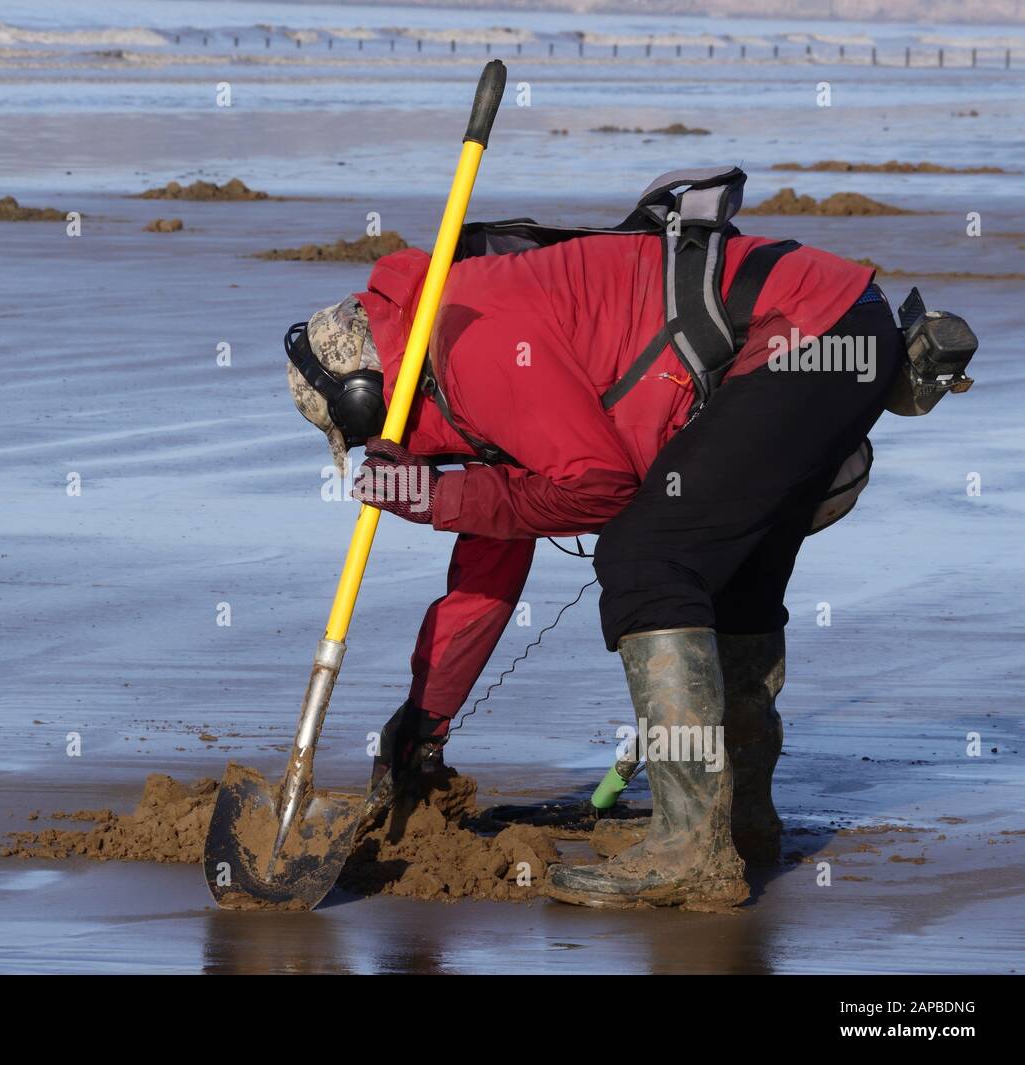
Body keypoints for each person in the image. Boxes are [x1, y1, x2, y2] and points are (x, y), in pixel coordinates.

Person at [285, 221, 902, 909]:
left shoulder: (474, 352)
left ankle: (691, 848)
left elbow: (598, 484)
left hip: (803, 334)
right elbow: (494, 551)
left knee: (648, 560)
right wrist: (424, 719)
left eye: (363, 433)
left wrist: (433, 493)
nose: (377, 446)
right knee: (723, 571)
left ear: (368, 397)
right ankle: (740, 825)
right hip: (839, 324)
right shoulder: (439, 326)